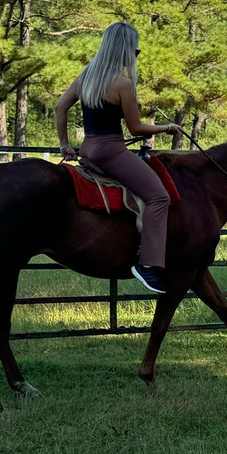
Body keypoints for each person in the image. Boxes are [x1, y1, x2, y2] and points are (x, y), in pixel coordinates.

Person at [54, 22, 182, 294]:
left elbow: (60, 106)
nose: (134, 55)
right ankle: (148, 265)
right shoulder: (123, 83)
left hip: (88, 149)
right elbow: (136, 129)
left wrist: (65, 145)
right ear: (124, 50)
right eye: (134, 51)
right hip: (112, 152)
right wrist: (166, 128)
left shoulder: (87, 75)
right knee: (159, 197)